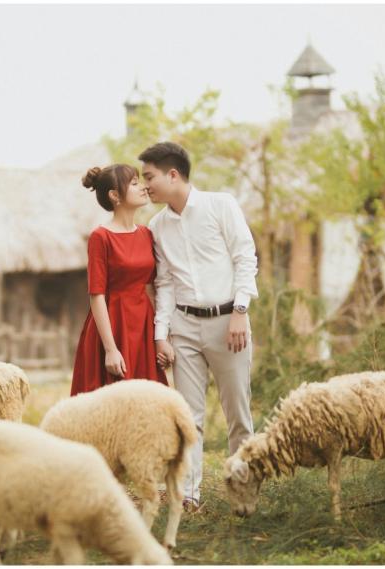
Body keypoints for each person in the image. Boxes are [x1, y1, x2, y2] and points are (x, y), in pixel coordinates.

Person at [141, 141, 258, 512]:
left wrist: (240, 310)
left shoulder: (220, 205)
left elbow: (245, 256)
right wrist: (162, 335)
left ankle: (242, 492)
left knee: (237, 411)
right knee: (189, 416)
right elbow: (164, 284)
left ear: (172, 174)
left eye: (149, 177)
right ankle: (188, 498)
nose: (146, 186)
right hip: (184, 327)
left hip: (229, 322)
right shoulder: (156, 225)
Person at [70, 164, 167, 396]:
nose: (143, 187)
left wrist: (161, 337)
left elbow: (152, 288)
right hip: (112, 325)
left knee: (149, 400)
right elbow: (97, 295)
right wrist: (110, 349)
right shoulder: (100, 237)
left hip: (143, 323)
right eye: (134, 183)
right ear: (115, 195)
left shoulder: (146, 234)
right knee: (111, 403)